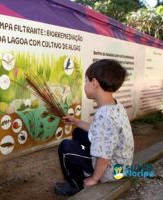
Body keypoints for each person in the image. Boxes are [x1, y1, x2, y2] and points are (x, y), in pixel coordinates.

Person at [54, 59, 134, 196]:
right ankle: (85, 167)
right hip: (121, 164)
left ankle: (76, 185)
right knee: (79, 132)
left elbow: (104, 157)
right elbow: (99, 131)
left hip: (112, 171)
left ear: (94, 83)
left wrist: (94, 179)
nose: (84, 85)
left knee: (65, 148)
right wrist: (75, 121)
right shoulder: (114, 105)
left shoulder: (105, 116)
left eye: (86, 81)